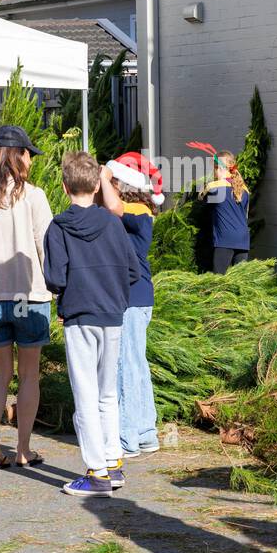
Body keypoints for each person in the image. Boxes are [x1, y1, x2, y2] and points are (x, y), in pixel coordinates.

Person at [43, 150, 140, 498]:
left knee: (85, 394)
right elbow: (133, 271)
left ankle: (96, 473)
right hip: (112, 315)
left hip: (79, 315)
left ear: (64, 186)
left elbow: (54, 278)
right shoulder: (113, 224)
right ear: (97, 185)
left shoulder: (58, 227)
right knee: (107, 393)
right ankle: (112, 464)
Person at [0, 124, 52, 470]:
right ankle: (23, 449)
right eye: (29, 154)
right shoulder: (33, 196)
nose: (31, 161)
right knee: (29, 375)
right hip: (28, 295)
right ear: (17, 156)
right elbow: (46, 246)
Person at [98, 152, 165, 457]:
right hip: (137, 298)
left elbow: (113, 206)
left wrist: (103, 176)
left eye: (113, 182)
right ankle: (146, 432)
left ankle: (127, 437)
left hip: (132, 298)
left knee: (126, 365)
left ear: (124, 185)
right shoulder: (137, 210)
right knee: (137, 364)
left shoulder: (137, 210)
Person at [203, 149, 250, 273]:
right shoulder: (244, 189)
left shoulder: (214, 188)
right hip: (243, 240)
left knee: (218, 279)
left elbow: (201, 200)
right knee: (241, 280)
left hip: (224, 239)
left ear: (218, 168)